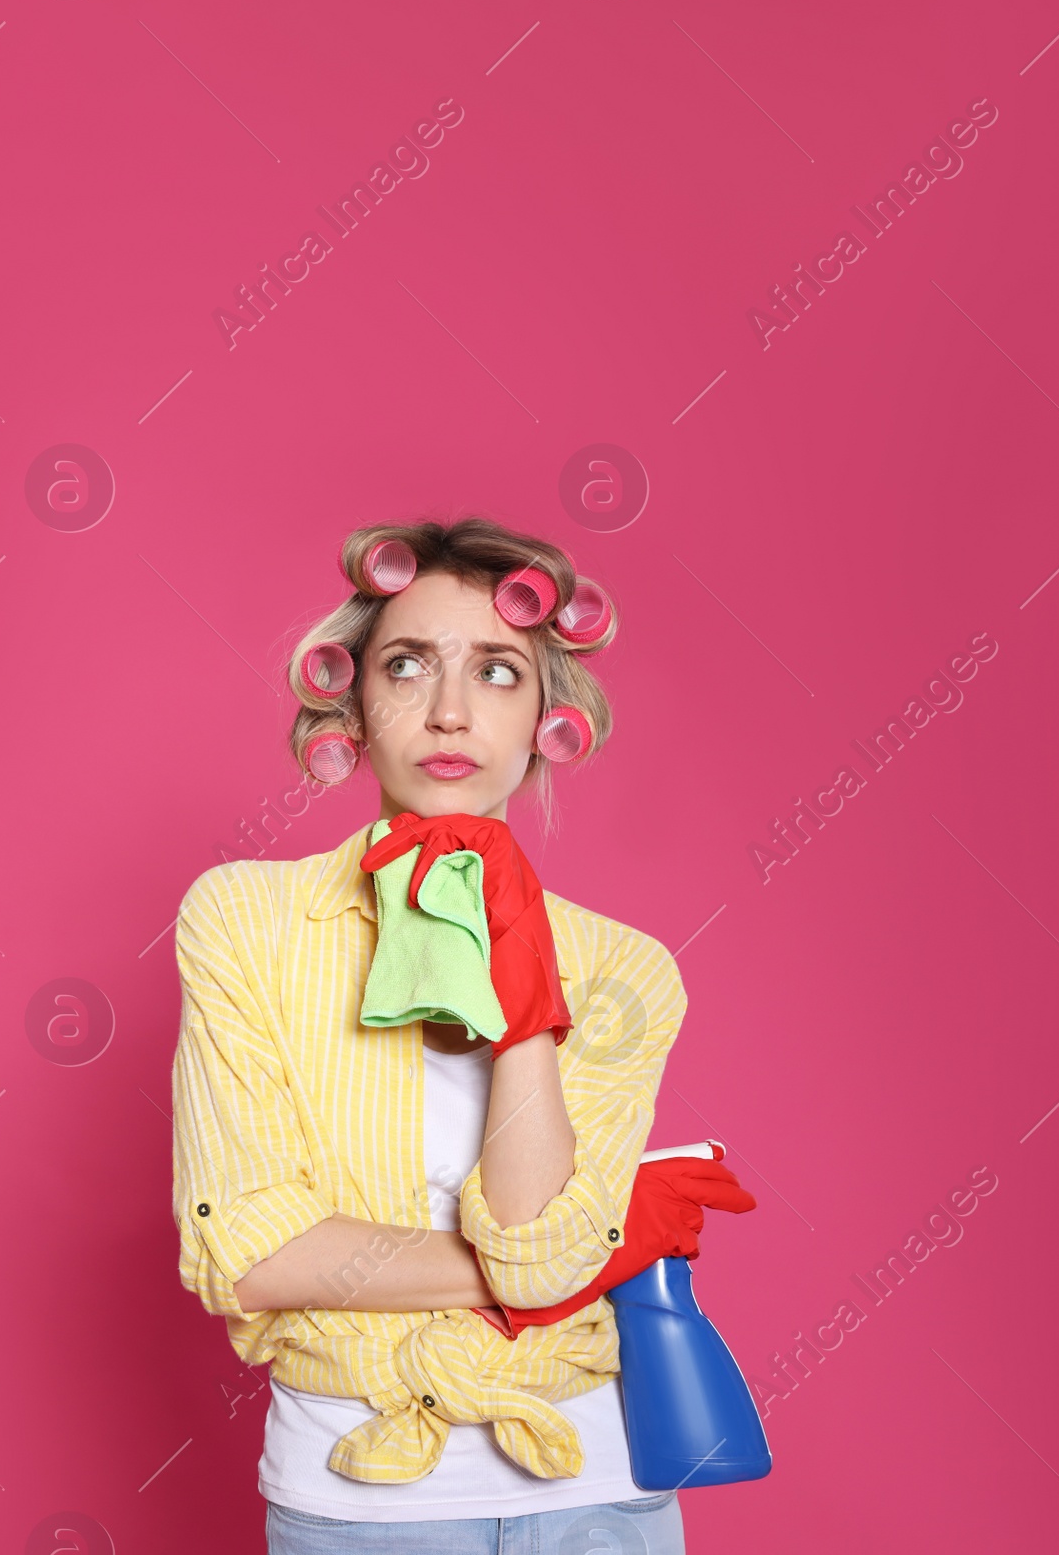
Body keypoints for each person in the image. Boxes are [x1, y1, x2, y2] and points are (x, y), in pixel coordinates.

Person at [170, 518, 740, 1554]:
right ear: (352, 701)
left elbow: (530, 1241)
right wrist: (587, 1256)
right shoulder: (246, 920)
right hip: (359, 1504)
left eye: (496, 671)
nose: (448, 710)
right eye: (406, 665)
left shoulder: (625, 968)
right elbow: (247, 1254)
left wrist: (523, 976)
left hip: (598, 1493)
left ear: (547, 719)